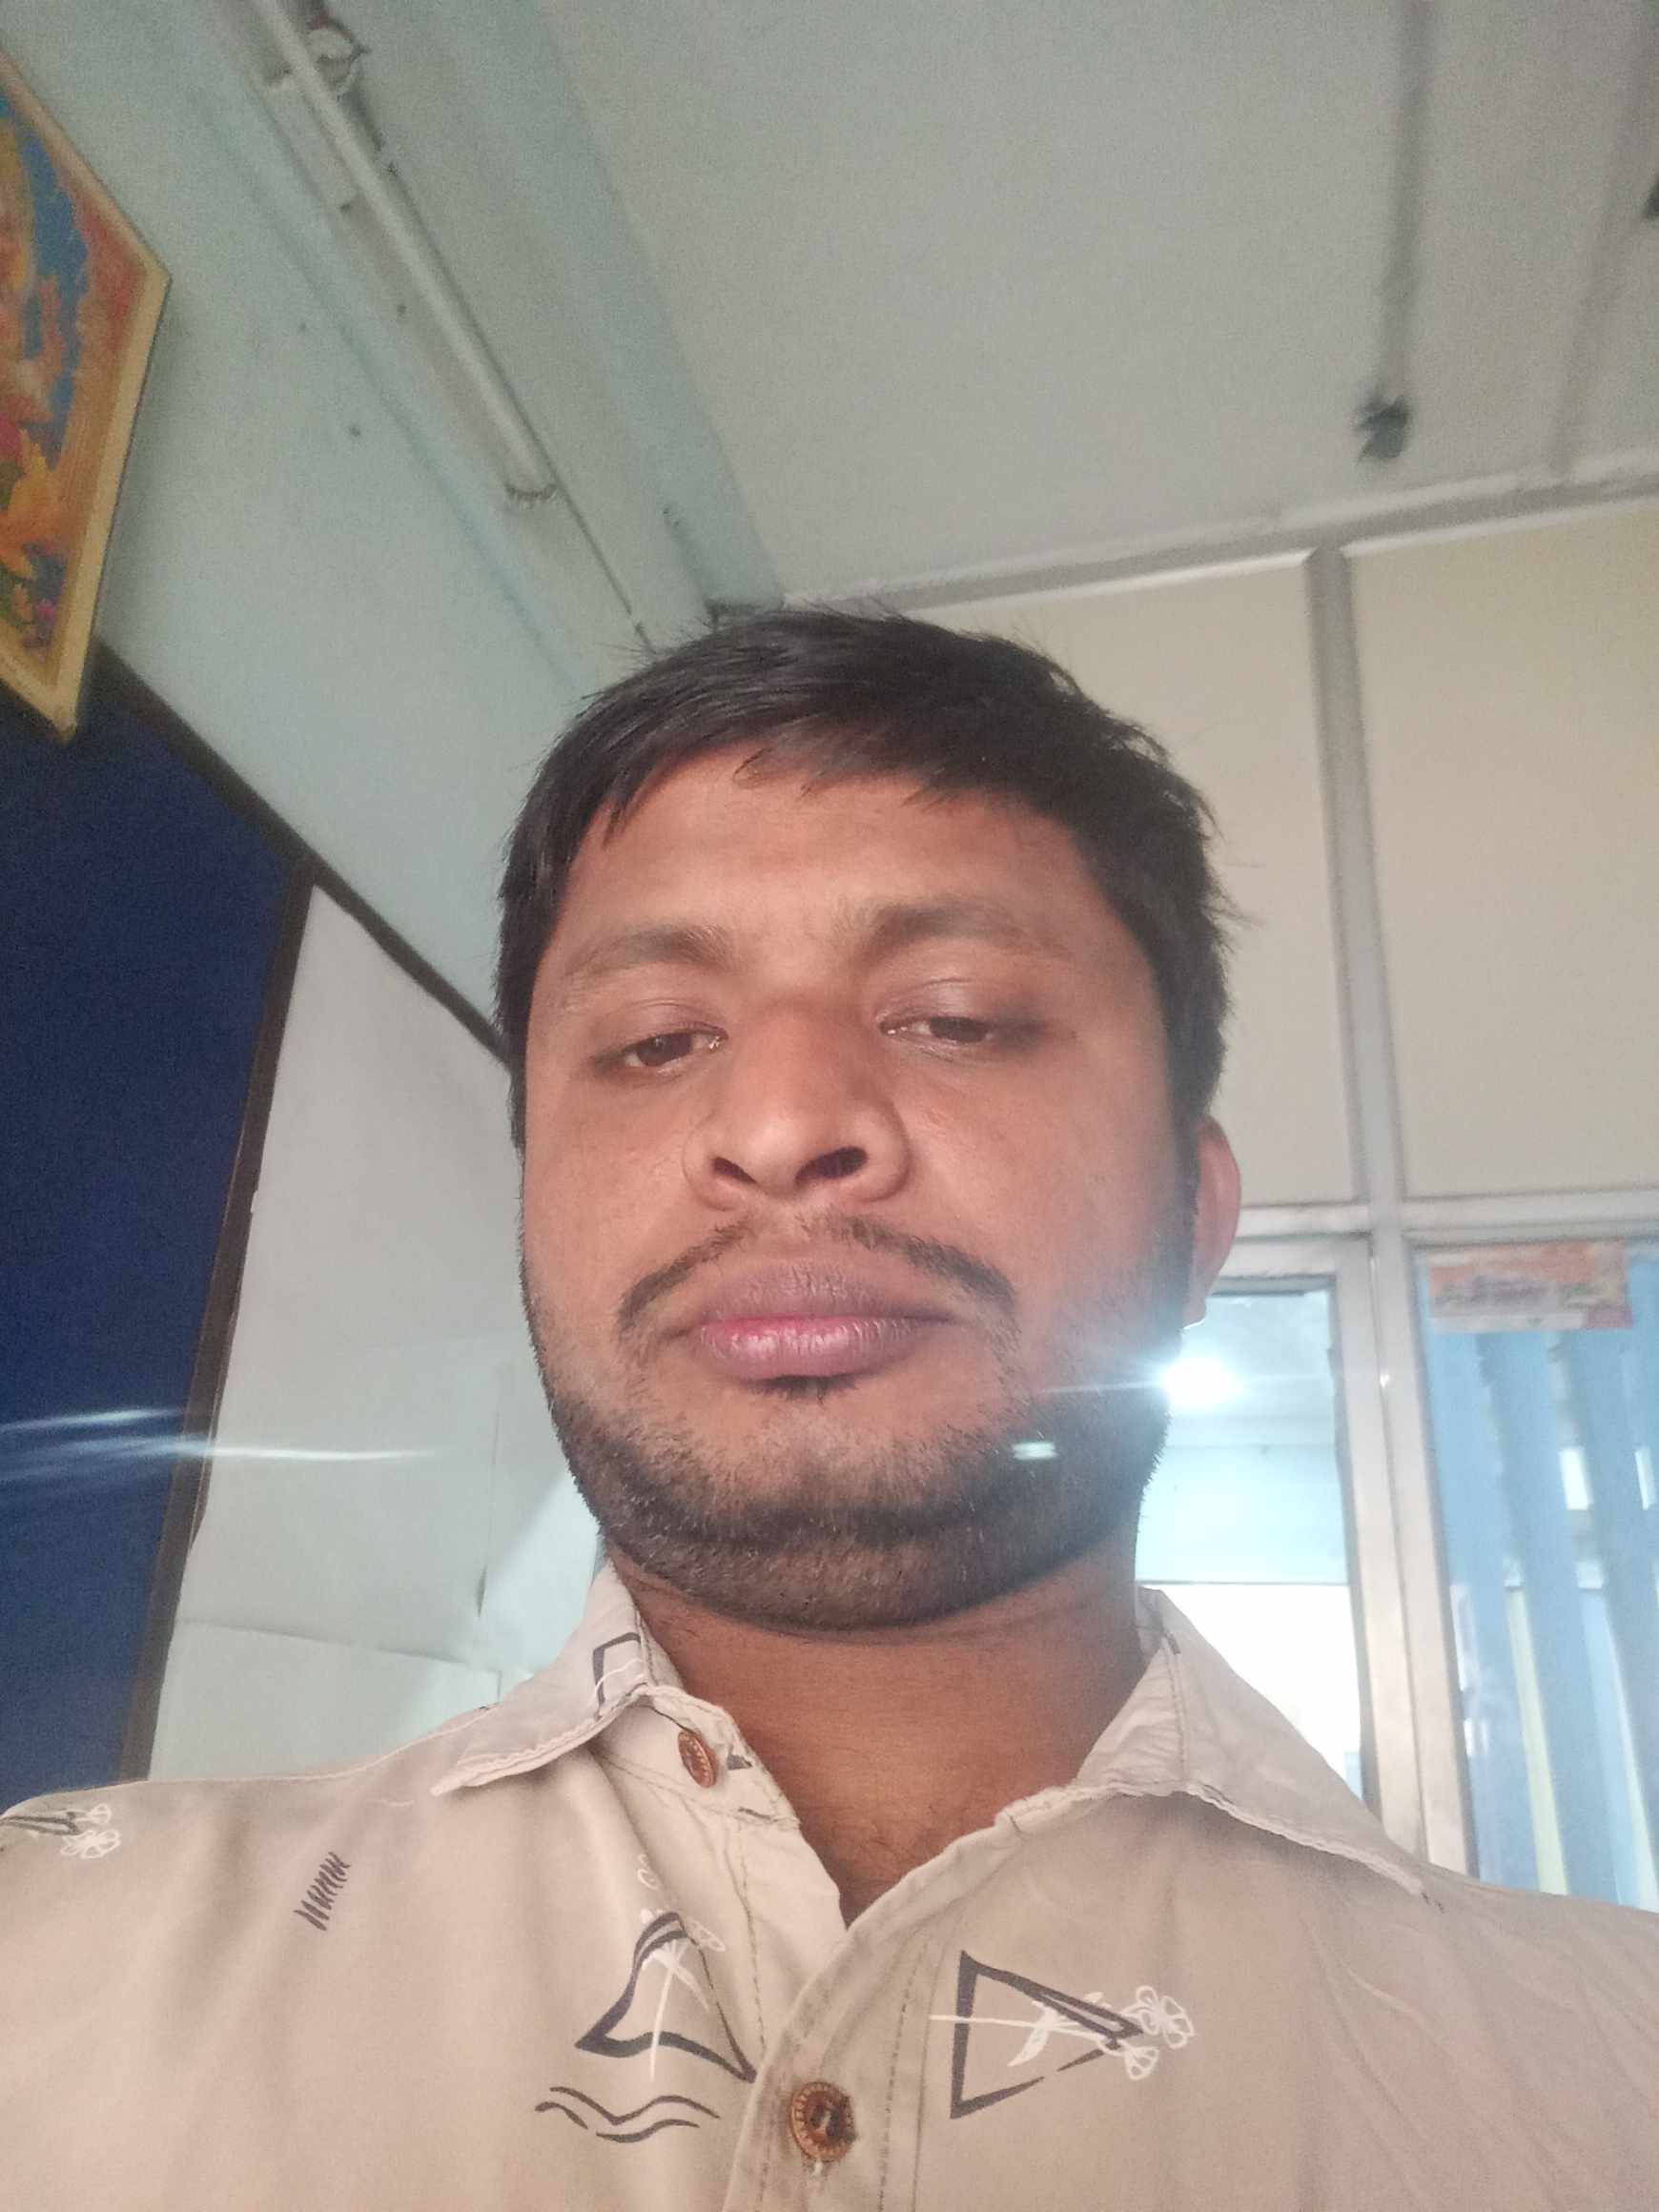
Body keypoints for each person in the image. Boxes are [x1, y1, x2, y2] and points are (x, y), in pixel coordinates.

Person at [3, 609, 1656, 2208]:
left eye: (957, 1017)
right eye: (657, 1042)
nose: (782, 1122)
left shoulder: (1608, 2083)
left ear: (1199, 1219)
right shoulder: (55, 1965)